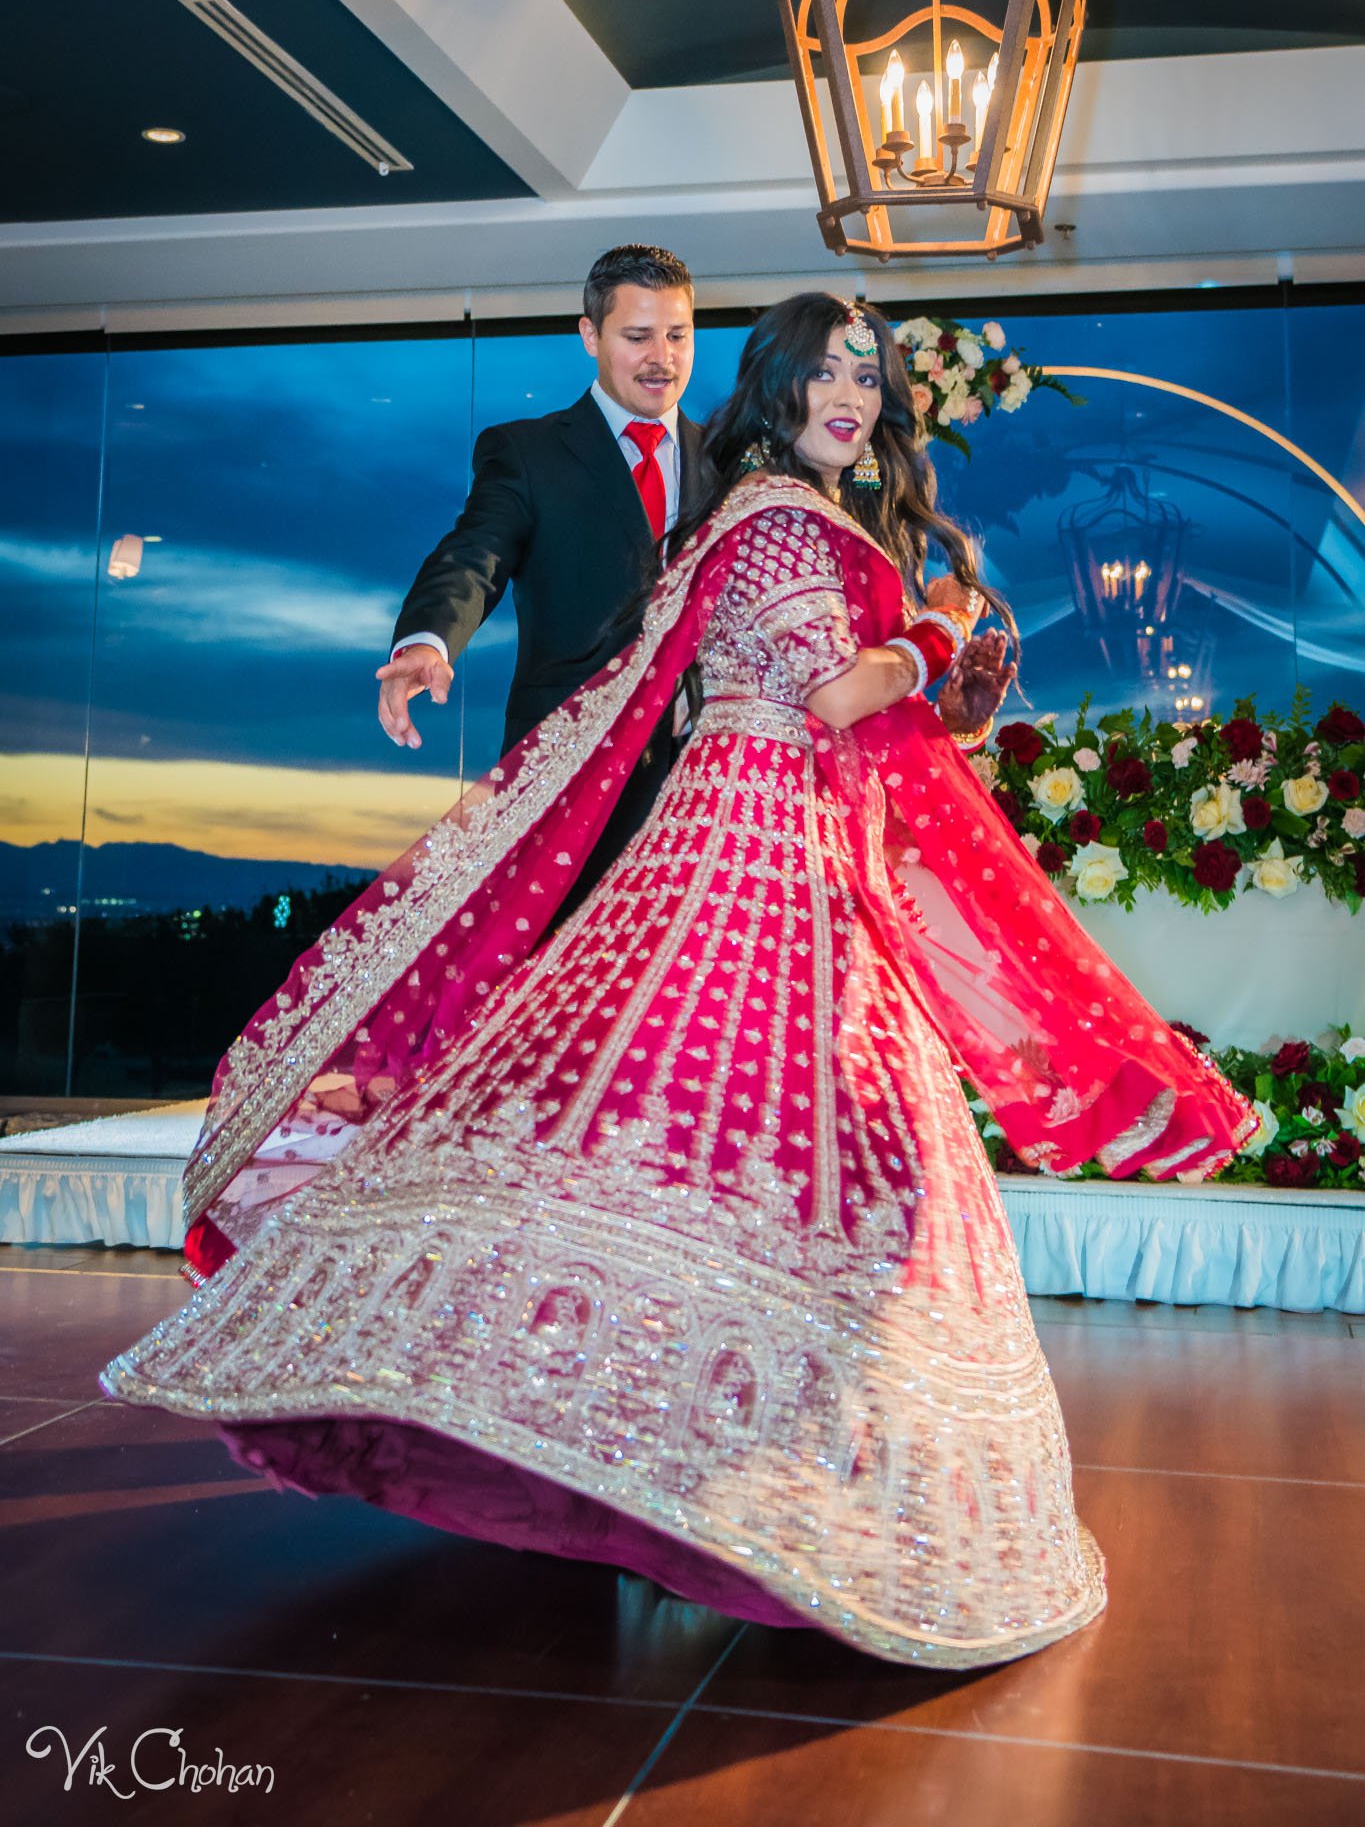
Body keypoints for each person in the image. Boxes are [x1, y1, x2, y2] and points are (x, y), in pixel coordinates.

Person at [103, 294, 1252, 1668]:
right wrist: (940, 625)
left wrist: (953, 689)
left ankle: (741, 1456)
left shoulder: (796, 521)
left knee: (770, 1160)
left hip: (800, 864)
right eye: (821, 369)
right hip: (745, 872)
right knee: (764, 1149)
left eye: (866, 373)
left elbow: (863, 709)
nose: (850, 392)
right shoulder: (770, 515)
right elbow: (828, 697)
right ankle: (713, 1459)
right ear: (765, 391)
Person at [377, 243, 706, 889]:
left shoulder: (727, 459)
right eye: (637, 336)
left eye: (677, 335)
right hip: (567, 776)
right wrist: (430, 638)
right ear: (589, 334)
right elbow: (475, 553)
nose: (661, 358)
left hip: (705, 778)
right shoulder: (526, 452)